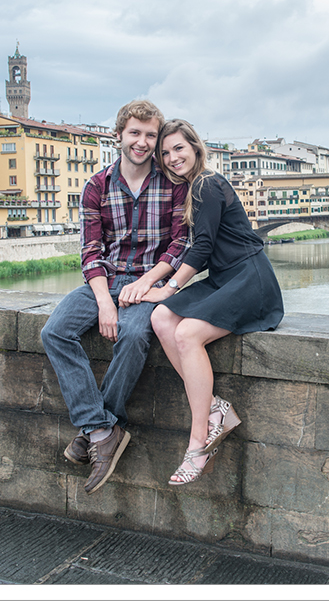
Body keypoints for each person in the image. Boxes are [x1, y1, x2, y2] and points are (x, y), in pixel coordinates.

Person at [40, 101, 190, 494]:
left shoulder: (173, 183)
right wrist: (105, 301)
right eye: (135, 133)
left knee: (135, 335)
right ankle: (102, 427)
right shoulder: (97, 185)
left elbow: (179, 244)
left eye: (150, 135)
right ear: (119, 135)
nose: (142, 142)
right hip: (104, 280)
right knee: (55, 332)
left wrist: (149, 285)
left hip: (151, 282)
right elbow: (90, 251)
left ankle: (95, 430)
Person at [139, 119, 283, 485]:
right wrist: (156, 288)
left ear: (195, 148)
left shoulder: (205, 183)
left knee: (186, 333)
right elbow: (197, 249)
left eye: (179, 149)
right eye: (166, 153)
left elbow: (201, 248)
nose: (172, 158)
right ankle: (216, 407)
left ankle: (198, 442)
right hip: (223, 278)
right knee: (160, 319)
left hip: (250, 278)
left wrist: (169, 287)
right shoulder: (192, 189)